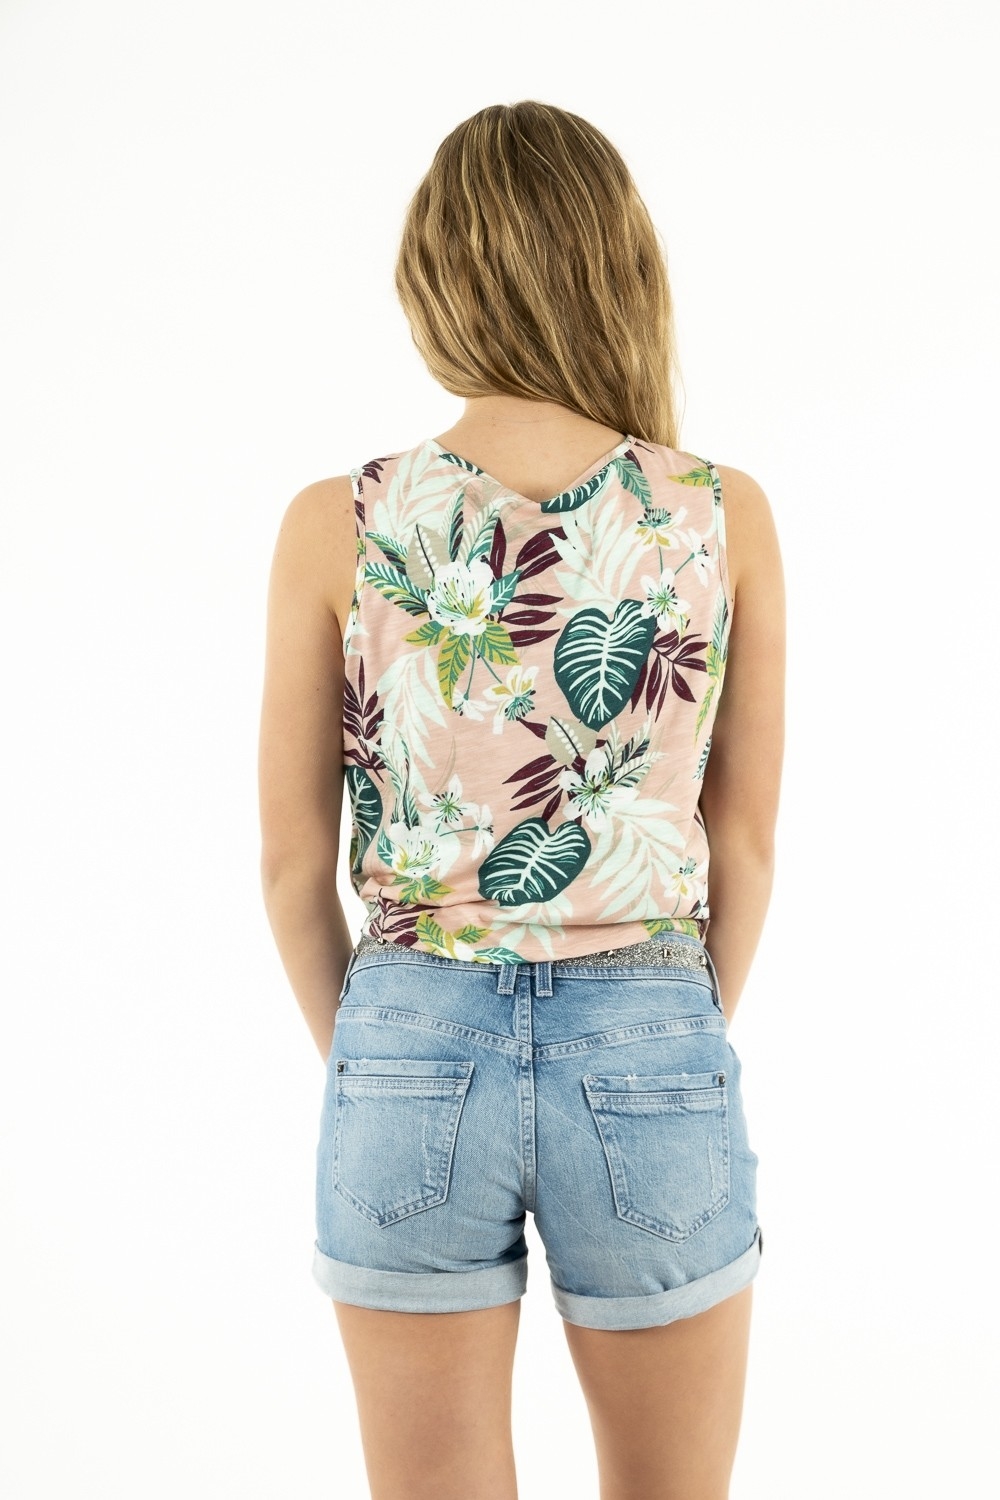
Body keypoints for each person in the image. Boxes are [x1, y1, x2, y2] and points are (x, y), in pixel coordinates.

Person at [259, 99, 785, 1500]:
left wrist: (384, 1049)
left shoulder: (339, 521)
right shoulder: (717, 512)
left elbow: (289, 864)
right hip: (650, 1030)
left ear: (436, 275)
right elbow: (742, 843)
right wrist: (663, 1032)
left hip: (408, 1027)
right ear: (620, 266)